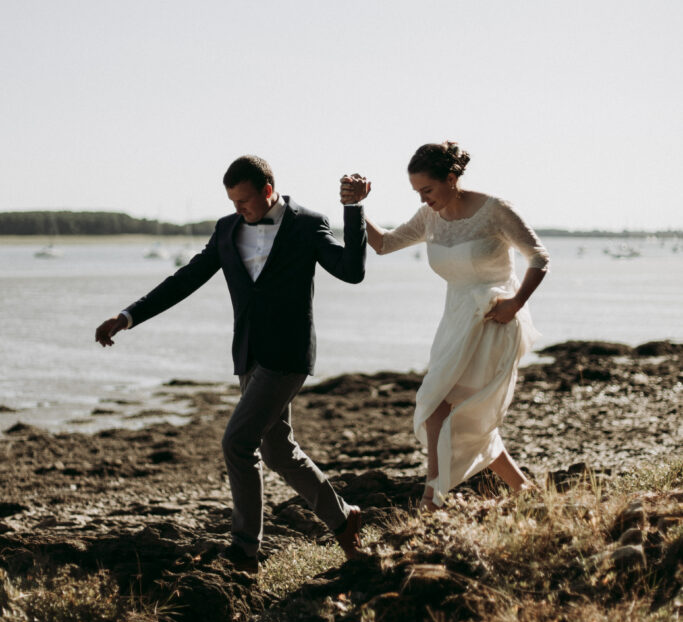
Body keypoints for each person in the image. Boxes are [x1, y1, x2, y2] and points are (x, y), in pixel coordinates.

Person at [95, 155, 367, 572]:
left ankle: (244, 550)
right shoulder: (227, 229)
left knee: (237, 443)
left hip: (288, 356)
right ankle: (344, 519)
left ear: (268, 191)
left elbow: (351, 271)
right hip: (249, 356)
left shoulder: (307, 223)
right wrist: (128, 317)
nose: (238, 207)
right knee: (278, 451)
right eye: (232, 200)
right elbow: (184, 279)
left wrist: (353, 211)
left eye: (244, 200)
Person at [341, 142, 549, 510]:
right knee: (461, 412)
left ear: (451, 179)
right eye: (417, 192)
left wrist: (516, 303)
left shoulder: (495, 210)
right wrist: (355, 207)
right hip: (455, 323)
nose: (423, 200)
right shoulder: (429, 217)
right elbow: (384, 244)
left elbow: (538, 257)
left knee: (443, 407)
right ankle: (522, 489)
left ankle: (432, 497)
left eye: (428, 190)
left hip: (494, 321)